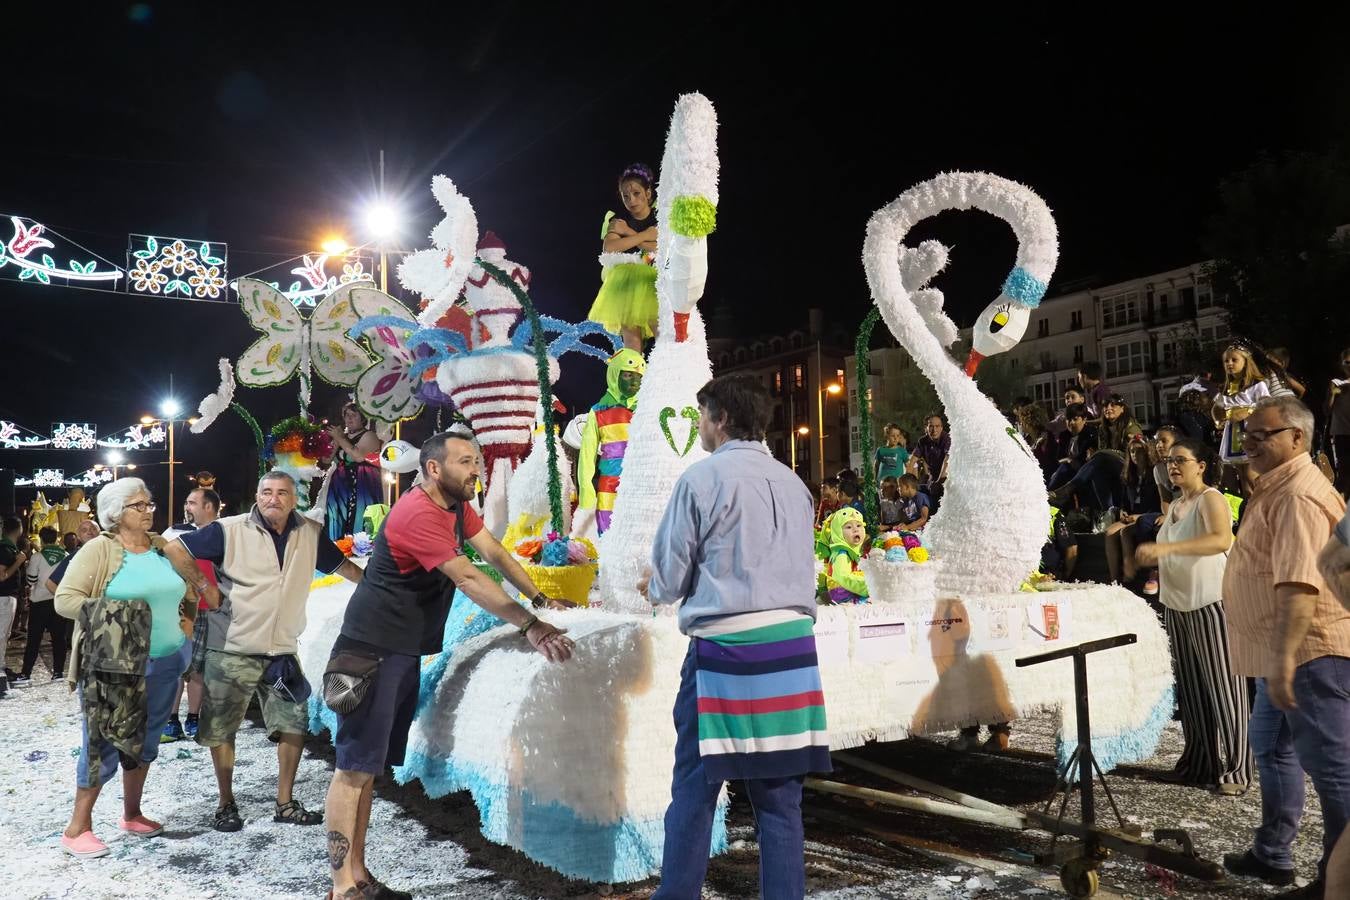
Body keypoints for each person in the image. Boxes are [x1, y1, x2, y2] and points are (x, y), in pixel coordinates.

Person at [323, 432, 574, 900]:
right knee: (353, 769)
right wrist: (530, 625)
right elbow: (468, 575)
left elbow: (494, 552)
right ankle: (342, 887)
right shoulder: (418, 512)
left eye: (477, 460)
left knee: (368, 770)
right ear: (434, 468)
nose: (475, 469)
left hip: (398, 651)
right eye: (465, 461)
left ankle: (360, 878)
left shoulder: (455, 506)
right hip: (369, 652)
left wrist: (540, 597)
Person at [638, 373, 829, 899]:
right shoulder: (794, 483)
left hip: (725, 649)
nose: (700, 425)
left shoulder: (700, 480)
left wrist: (652, 587)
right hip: (791, 649)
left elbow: (670, 578)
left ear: (720, 418)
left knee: (697, 789)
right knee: (779, 801)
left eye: (703, 415)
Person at [163, 471, 364, 833]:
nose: (274, 498)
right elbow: (175, 548)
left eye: (282, 492)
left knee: (293, 724)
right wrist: (204, 585)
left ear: (293, 498)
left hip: (282, 650)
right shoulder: (230, 529)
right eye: (267, 492)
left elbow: (345, 568)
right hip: (232, 647)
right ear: (257, 495)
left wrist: (379, 588)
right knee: (223, 728)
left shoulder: (310, 533)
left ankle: (284, 802)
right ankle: (226, 803)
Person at [1220, 397, 1349, 898]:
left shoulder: (1296, 494)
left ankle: (1336, 881)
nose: (1247, 443)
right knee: (1273, 752)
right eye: (1245, 434)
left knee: (1336, 776)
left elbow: (1299, 585)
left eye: (1261, 435)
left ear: (1297, 437)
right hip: (1286, 655)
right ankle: (1273, 852)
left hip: (1308, 655)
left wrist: (1281, 662)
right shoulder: (1277, 487)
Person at [52, 478, 198, 859]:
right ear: (116, 513)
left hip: (166, 662)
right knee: (104, 742)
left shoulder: (162, 547)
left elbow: (188, 589)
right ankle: (77, 828)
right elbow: (65, 600)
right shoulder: (99, 549)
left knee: (147, 740)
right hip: (113, 665)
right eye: (139, 505)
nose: (149, 510)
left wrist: (186, 627)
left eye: (149, 504)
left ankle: (132, 814)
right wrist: (122, 615)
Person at [1134, 439, 1251, 794]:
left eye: (1181, 460)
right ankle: (1200, 762)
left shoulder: (1209, 498)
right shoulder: (1176, 506)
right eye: (1170, 460)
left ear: (1201, 465)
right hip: (1178, 605)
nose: (1173, 465)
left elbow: (1219, 540)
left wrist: (1166, 548)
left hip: (1210, 603)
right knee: (1194, 691)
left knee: (1225, 690)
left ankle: (1237, 768)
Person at [160, 487, 221, 741]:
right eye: (187, 502)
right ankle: (170, 720)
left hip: (210, 611)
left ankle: (194, 717)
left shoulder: (225, 534)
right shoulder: (174, 534)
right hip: (181, 608)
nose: (187, 507)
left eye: (192, 502)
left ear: (209, 507)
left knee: (199, 669)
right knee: (177, 666)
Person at [587, 163, 659, 351]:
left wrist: (627, 233)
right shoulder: (617, 219)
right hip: (625, 283)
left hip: (654, 279)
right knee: (631, 340)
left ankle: (670, 376)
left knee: (663, 331)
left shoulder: (660, 215)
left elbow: (662, 246)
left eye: (636, 193)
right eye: (625, 196)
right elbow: (610, 248)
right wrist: (645, 236)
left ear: (648, 192)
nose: (631, 200)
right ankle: (634, 378)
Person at [576, 349, 646, 535]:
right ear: (615, 374)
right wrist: (586, 491)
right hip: (610, 485)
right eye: (628, 374)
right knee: (609, 535)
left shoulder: (648, 407)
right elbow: (587, 455)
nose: (635, 381)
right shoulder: (599, 410)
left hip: (643, 482)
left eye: (639, 376)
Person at [1050, 395, 1141, 515]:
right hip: (1107, 464)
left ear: (1122, 408)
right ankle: (1109, 513)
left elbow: (1134, 451)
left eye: (1113, 405)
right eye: (1105, 406)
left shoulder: (1130, 426)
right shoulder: (1103, 427)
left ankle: (1067, 490)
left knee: (1099, 457)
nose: (1108, 408)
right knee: (1097, 470)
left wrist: (1097, 454)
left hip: (1127, 465)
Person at [325, 403, 384, 541]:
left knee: (359, 516)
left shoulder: (370, 435)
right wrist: (336, 439)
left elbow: (358, 456)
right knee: (338, 516)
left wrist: (340, 438)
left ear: (362, 418)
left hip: (363, 483)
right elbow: (326, 459)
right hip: (341, 484)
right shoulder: (341, 437)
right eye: (347, 415)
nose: (349, 419)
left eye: (354, 415)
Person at [17, 526, 68, 685]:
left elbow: (31, 580)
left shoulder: (37, 556)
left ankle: (26, 673)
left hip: (39, 603)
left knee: (34, 639)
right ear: (56, 538)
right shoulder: (65, 556)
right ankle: (58, 672)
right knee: (59, 639)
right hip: (58, 602)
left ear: (42, 539)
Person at [1212, 342, 1270, 471]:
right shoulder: (1226, 389)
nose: (1229, 363)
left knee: (1251, 475)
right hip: (1231, 438)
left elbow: (1267, 405)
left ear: (1246, 361)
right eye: (1226, 361)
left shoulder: (1257, 385)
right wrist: (1217, 420)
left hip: (1251, 433)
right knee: (1231, 477)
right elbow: (1217, 407)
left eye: (1234, 360)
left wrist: (1247, 411)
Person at [819, 507, 869, 604]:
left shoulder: (851, 551)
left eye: (859, 525)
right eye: (849, 527)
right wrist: (869, 587)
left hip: (849, 592)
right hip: (843, 597)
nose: (855, 530)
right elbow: (843, 577)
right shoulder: (841, 554)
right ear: (838, 532)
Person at [1046, 403, 1097, 494]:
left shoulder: (1091, 434)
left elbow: (1088, 459)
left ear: (1084, 419)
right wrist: (1068, 460)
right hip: (1066, 469)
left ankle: (1052, 494)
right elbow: (1058, 458)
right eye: (1068, 419)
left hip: (1083, 471)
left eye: (1075, 419)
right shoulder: (1064, 435)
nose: (1071, 423)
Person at [0, 515, 28, 659]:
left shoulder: (8, 547)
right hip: (4, 597)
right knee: (2, 634)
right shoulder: (6, 549)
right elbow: (2, 575)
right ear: (19, 530)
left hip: (7, 597)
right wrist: (19, 562)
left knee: (5, 633)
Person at [1327, 347, 1350, 497]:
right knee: (1345, 474)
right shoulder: (1336, 383)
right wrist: (1332, 395)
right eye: (1347, 362)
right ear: (1341, 364)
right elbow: (1327, 411)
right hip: (1342, 433)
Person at [913, 414, 950, 508]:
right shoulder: (922, 441)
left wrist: (938, 483)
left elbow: (947, 462)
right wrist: (908, 482)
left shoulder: (947, 439)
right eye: (931, 426)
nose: (934, 430)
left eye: (937, 426)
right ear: (926, 427)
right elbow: (912, 461)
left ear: (942, 427)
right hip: (933, 480)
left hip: (948, 480)